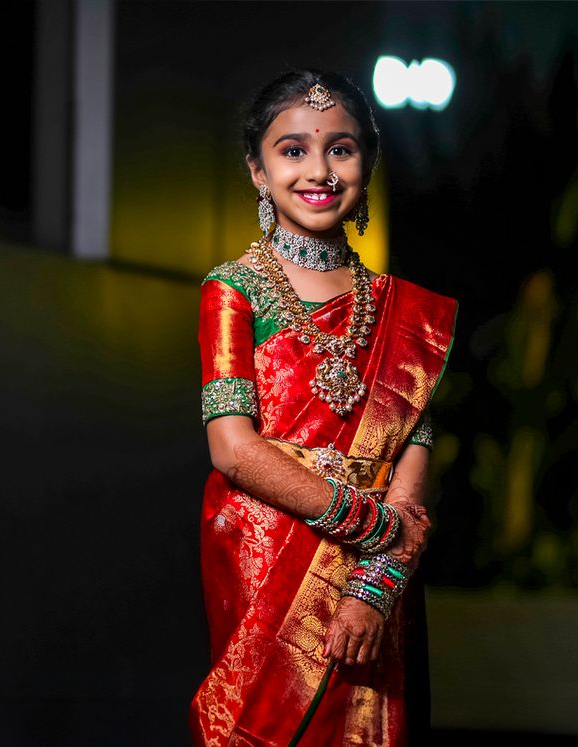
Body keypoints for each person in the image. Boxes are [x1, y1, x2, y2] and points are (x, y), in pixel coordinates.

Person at [188, 69, 459, 746]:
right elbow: (232, 448)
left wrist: (377, 579)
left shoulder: (409, 313)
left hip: (377, 572)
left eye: (341, 148)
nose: (319, 169)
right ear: (257, 170)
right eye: (292, 150)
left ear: (367, 163)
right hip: (269, 558)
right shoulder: (234, 290)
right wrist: (372, 524)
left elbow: (412, 440)